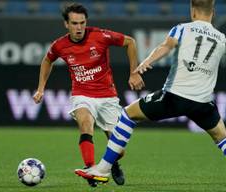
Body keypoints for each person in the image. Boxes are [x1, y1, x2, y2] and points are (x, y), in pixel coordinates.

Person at [74, 0, 226, 184]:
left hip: (175, 96)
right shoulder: (221, 38)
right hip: (203, 103)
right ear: (213, 12)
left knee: (128, 115)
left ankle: (104, 169)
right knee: (222, 138)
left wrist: (146, 62)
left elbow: (166, 46)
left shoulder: (182, 28)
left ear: (192, 11)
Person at [32, 3, 144, 187]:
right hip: (82, 94)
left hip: (107, 96)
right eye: (74, 23)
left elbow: (130, 42)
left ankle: (113, 162)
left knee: (120, 150)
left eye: (82, 23)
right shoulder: (60, 45)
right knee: (85, 124)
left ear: (86, 22)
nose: (79, 28)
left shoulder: (100, 36)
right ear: (66, 24)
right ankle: (91, 168)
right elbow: (47, 60)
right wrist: (41, 88)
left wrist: (134, 72)